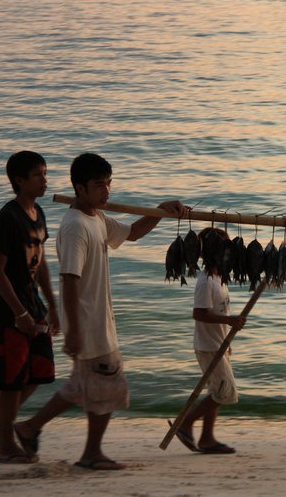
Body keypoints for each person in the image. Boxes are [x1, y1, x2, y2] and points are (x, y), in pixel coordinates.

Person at [15, 153, 187, 471]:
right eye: (98, 185)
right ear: (80, 188)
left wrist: (161, 211)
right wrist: (74, 331)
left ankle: (29, 428)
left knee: (83, 385)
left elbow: (132, 232)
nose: (106, 191)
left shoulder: (96, 217)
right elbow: (69, 279)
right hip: (87, 322)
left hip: (97, 319)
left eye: (109, 183)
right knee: (107, 384)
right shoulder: (76, 226)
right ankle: (91, 453)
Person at [0, 151, 59, 464]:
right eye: (38, 175)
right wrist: (19, 313)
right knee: (11, 380)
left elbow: (41, 264)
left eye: (45, 173)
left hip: (32, 303)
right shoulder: (7, 218)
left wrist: (52, 305)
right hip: (6, 311)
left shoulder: (38, 213)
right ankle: (5, 446)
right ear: (19, 180)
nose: (44, 180)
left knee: (40, 371)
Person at [173, 228, 247, 454]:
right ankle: (185, 423)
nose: (228, 250)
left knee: (216, 390)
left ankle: (207, 438)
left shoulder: (219, 277)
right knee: (226, 392)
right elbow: (199, 313)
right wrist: (230, 320)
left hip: (219, 344)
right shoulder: (205, 281)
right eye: (224, 246)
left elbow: (217, 311)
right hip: (208, 346)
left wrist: (227, 337)